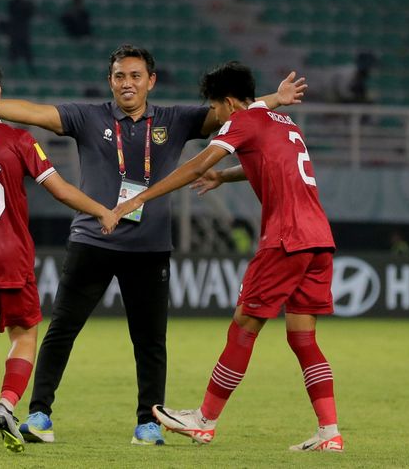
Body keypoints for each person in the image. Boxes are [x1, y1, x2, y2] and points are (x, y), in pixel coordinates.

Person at [0, 44, 307, 446]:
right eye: (119, 76)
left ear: (151, 81)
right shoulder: (88, 116)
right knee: (62, 330)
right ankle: (39, 414)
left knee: (150, 339)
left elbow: (231, 110)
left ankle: (148, 422)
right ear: (110, 81)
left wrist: (273, 99)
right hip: (92, 238)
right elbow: (37, 112)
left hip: (149, 246)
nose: (127, 83)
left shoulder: (175, 119)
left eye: (135, 76)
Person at [114, 61, 342, 452]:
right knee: (303, 338)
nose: (215, 117)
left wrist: (143, 196)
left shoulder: (241, 122)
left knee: (243, 327)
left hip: (285, 239)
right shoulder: (285, 123)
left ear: (230, 103)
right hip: (318, 238)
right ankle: (330, 432)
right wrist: (226, 177)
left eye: (215, 108)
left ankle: (204, 419)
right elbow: (268, 162)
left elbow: (198, 164)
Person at [0, 57, 118, 456]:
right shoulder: (18, 140)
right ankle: (7, 403)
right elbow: (60, 189)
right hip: (10, 257)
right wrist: (101, 210)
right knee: (25, 334)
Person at [6, 0, 35, 74]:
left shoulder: (25, 4)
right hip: (15, 32)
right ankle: (13, 70)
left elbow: (30, 13)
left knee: (26, 53)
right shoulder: (13, 3)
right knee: (14, 53)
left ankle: (30, 70)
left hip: (22, 31)